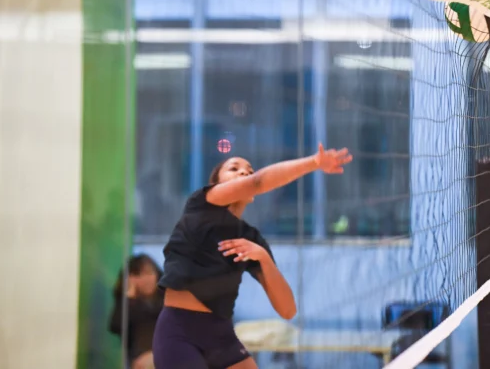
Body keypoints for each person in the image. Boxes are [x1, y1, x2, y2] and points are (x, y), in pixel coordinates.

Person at [152, 144, 353, 369]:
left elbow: (288, 310)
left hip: (221, 336)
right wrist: (314, 162)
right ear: (217, 185)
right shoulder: (202, 204)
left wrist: (263, 258)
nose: (244, 173)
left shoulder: (251, 239)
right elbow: (258, 181)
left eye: (248, 169)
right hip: (181, 331)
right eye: (234, 168)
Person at [110, 254, 164, 369]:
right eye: (139, 274)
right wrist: (129, 295)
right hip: (137, 360)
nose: (146, 279)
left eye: (149, 273)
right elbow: (116, 326)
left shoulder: (167, 300)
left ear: (157, 275)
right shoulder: (128, 303)